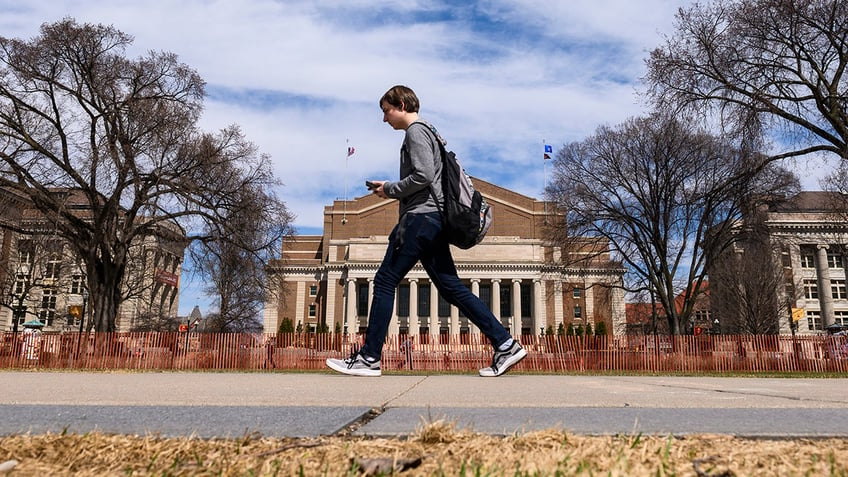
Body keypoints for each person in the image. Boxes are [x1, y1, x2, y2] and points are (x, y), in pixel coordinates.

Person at [326, 85, 526, 377]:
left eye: (387, 111)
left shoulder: (416, 132)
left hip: (420, 220)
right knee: (452, 288)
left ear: (403, 104)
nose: (385, 119)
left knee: (384, 280)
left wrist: (390, 189)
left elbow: (422, 176)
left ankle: (369, 358)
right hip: (433, 222)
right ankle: (505, 343)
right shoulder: (430, 132)